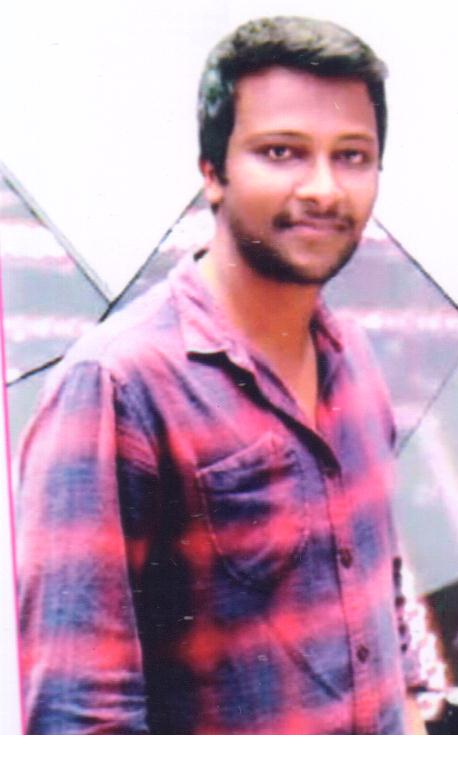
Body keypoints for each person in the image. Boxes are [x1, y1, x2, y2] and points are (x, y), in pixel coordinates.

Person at [17, 16, 424, 734]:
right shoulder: (117, 387)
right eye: (282, 152)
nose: (324, 188)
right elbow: (80, 722)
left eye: (352, 156)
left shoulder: (355, 358)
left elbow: (380, 608)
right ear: (212, 172)